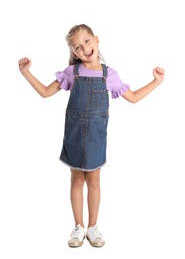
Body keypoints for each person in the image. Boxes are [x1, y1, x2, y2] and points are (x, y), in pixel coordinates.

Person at [18, 24, 165, 248]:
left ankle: (93, 227)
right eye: (77, 46)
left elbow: (133, 97)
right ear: (74, 53)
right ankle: (78, 226)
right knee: (77, 180)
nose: (84, 48)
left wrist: (156, 82)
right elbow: (46, 92)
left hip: (96, 136)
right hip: (75, 134)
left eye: (86, 41)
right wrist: (26, 72)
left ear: (96, 40)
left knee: (94, 181)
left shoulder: (108, 74)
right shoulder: (72, 73)